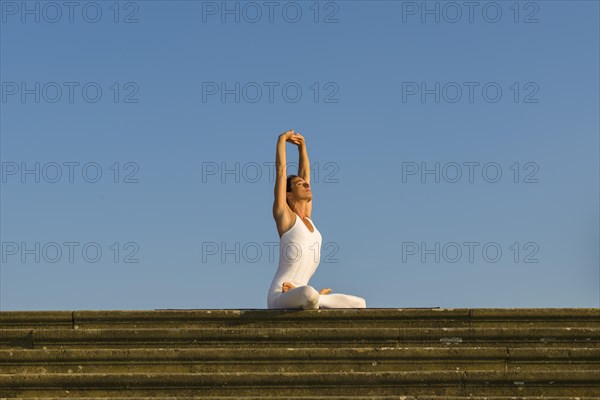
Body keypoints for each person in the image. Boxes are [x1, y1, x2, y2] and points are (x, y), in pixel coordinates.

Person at [266, 129, 367, 310]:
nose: (306, 185)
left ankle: (316, 299)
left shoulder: (308, 220)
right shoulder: (285, 217)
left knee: (360, 303)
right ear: (288, 195)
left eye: (306, 184)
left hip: (301, 292)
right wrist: (281, 140)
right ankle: (315, 298)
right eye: (299, 184)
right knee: (310, 294)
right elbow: (281, 173)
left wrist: (302, 148)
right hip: (280, 295)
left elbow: (306, 174)